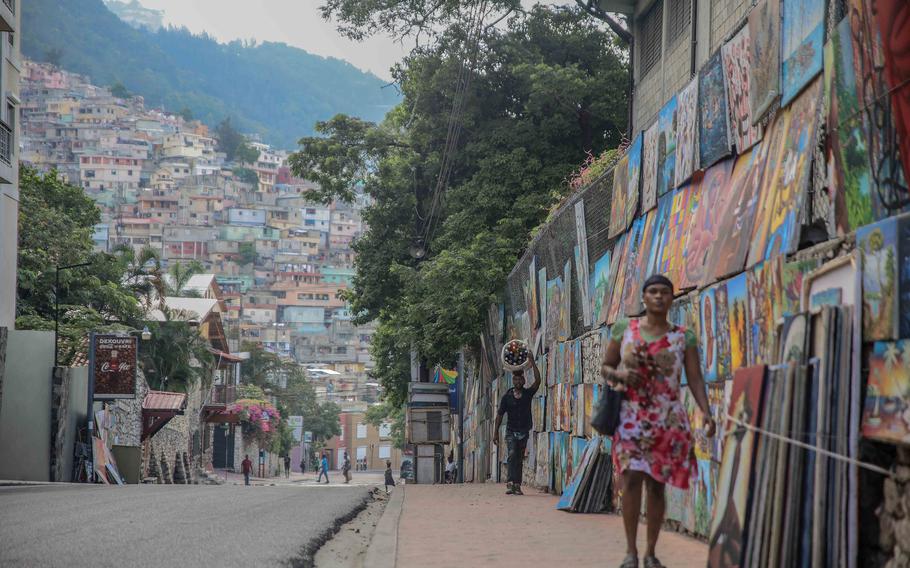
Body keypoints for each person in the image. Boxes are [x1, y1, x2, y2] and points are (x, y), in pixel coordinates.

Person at [601, 274, 716, 568]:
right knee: (631, 479)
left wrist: (706, 412)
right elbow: (606, 367)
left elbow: (695, 378)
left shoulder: (683, 337)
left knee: (656, 485)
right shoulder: (625, 329)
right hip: (631, 417)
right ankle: (630, 552)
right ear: (644, 297)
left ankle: (651, 551)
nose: (658, 297)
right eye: (652, 292)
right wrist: (621, 376)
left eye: (665, 292)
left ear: (672, 299)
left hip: (666, 420)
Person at [493, 353, 542, 495]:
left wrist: (532, 361)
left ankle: (517, 485)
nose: (518, 381)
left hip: (524, 430)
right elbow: (500, 415)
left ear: (524, 380)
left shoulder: (528, 394)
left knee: (519, 458)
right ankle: (510, 483)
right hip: (511, 431)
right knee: (512, 453)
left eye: (520, 379)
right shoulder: (507, 397)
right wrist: (495, 433)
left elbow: (538, 381)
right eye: (516, 379)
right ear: (513, 381)